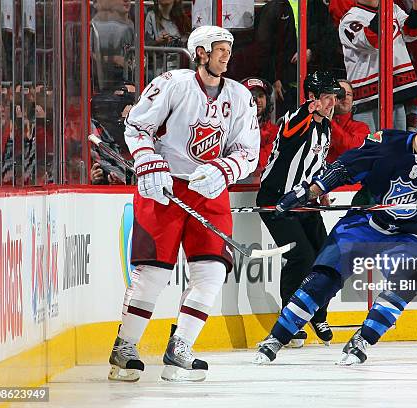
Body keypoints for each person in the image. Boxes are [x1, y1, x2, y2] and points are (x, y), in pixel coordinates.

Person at [253, 96, 417, 365]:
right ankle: (277, 337)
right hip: (365, 223)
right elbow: (344, 168)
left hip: (408, 234)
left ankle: (362, 340)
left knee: (408, 281)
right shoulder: (387, 142)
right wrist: (307, 192)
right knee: (323, 278)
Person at [108, 25, 259, 383]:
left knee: (213, 272)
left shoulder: (239, 96)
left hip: (209, 190)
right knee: (153, 274)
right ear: (201, 52)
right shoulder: (172, 83)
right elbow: (136, 127)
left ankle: (181, 347)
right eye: (220, 49)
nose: (227, 55)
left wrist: (225, 170)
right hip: (164, 186)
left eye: (228, 49)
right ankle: (125, 345)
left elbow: (248, 150)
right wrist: (149, 162)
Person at [257, 71, 342, 347]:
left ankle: (317, 313)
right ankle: (289, 321)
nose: (332, 103)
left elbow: (317, 164)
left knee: (327, 257)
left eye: (334, 97)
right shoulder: (296, 118)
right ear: (312, 98)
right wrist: (309, 108)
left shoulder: (325, 127)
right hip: (277, 201)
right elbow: (292, 132)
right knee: (302, 257)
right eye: (327, 97)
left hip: (305, 202)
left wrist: (323, 190)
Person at [339, 0, 417, 132]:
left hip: (394, 92)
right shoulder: (350, 18)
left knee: (395, 143)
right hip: (366, 99)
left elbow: (412, 31)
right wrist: (384, 8)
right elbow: (371, 40)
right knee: (369, 146)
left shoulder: (392, 8)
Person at [240, 77, 279, 173]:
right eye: (251, 95)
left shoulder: (275, 132)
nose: (257, 101)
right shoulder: (232, 130)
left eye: (261, 96)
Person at [327, 79, 371, 163]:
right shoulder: (318, 122)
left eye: (349, 94)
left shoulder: (361, 127)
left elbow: (351, 150)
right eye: (341, 93)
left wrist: (330, 121)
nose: (345, 97)